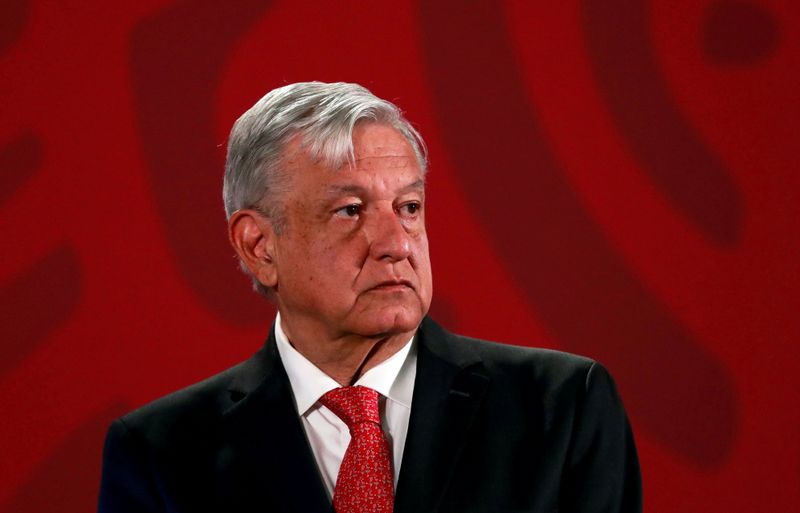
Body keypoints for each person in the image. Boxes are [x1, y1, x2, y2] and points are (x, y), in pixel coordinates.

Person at [98, 81, 641, 513]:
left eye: (408, 207)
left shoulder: (561, 409)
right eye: (351, 211)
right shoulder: (161, 453)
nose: (398, 244)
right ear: (259, 245)